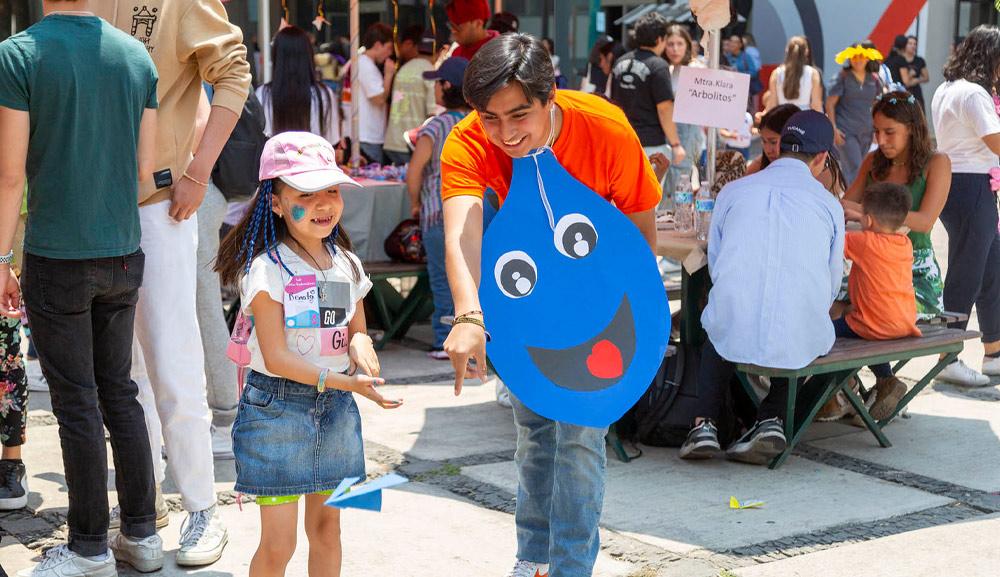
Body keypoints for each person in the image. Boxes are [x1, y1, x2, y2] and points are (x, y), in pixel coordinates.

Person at [440, 34, 661, 577]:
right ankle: (532, 560)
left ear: (550, 96)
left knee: (581, 437)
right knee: (534, 434)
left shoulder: (606, 128)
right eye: (491, 119)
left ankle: (569, 568)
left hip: (596, 308)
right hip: (524, 305)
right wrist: (470, 314)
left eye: (520, 115)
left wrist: (634, 318)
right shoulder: (467, 142)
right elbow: (463, 236)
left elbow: (640, 233)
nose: (506, 133)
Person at [0, 1, 163, 574]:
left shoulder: (18, 55)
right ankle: (142, 536)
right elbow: (146, 168)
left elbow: (11, 173)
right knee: (118, 390)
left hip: (57, 252)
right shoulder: (135, 55)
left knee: (75, 400)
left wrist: (0, 258)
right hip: (122, 248)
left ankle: (89, 543)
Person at [95, 0, 252, 564]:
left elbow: (232, 72)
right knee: (119, 371)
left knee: (173, 356)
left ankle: (201, 507)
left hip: (161, 204)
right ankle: (144, 504)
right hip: (93, 208)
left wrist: (197, 172)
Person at [215, 131, 401, 577]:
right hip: (275, 412)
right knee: (279, 545)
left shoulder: (346, 263)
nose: (325, 204)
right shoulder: (265, 269)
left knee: (328, 531)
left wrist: (361, 343)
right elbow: (277, 358)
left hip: (338, 412)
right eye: (307, 194)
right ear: (276, 202)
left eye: (332, 191)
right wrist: (345, 382)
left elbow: (357, 329)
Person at [678, 110, 845, 463]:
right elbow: (832, 282)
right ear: (821, 159)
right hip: (800, 333)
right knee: (802, 316)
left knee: (722, 316)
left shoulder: (734, 191)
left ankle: (703, 422)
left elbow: (718, 264)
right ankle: (772, 417)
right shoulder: (830, 205)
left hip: (731, 325)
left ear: (778, 149)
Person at [931, 26, 1000, 385]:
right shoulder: (974, 94)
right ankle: (948, 357)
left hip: (957, 184)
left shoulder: (947, 89)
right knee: (968, 273)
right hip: (973, 185)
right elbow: (996, 141)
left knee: (990, 271)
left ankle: (994, 353)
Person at [833, 182, 921, 420]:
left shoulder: (865, 242)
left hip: (873, 326)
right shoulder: (905, 243)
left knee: (824, 332)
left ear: (869, 221)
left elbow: (834, 241)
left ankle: (834, 393)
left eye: (862, 216)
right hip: (904, 324)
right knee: (862, 322)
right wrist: (862, 217)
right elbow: (874, 231)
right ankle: (886, 380)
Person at [405, 57, 472, 360]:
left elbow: (414, 172)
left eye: (436, 82)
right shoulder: (480, 122)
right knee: (476, 276)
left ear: (446, 87)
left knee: (444, 278)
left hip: (439, 211)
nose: (434, 88)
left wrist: (414, 204)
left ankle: (445, 339)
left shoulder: (435, 126)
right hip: (479, 211)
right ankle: (478, 336)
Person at [610, 12, 687, 194]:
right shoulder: (658, 65)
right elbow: (665, 108)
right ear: (660, 39)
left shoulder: (620, 62)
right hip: (651, 145)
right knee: (648, 201)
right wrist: (676, 144)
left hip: (623, 142)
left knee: (625, 199)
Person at [258, 25, 340, 144]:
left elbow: (261, 138)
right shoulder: (324, 95)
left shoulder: (263, 94)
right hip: (314, 161)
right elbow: (331, 140)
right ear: (309, 55)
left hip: (274, 160)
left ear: (277, 57)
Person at [662, 24, 705, 204]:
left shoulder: (694, 67)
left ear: (687, 45)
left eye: (679, 43)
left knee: (681, 176)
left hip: (688, 131)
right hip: (670, 130)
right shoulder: (668, 68)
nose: (675, 49)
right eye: (670, 44)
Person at [826, 42, 881, 184]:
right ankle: (853, 203)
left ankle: (845, 201)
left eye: (861, 56)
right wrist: (833, 128)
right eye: (854, 57)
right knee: (855, 169)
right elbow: (830, 103)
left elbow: (877, 106)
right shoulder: (842, 77)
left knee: (858, 168)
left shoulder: (874, 79)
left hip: (866, 132)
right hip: (846, 131)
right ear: (849, 59)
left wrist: (877, 130)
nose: (858, 60)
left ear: (868, 58)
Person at [385, 29, 437, 166]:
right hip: (411, 144)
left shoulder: (404, 69)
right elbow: (432, 115)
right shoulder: (431, 73)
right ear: (437, 52)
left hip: (392, 141)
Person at [353, 22, 395, 165]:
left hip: (367, 135)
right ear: (378, 45)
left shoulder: (361, 62)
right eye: (389, 48)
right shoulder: (365, 65)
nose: (390, 53)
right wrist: (389, 75)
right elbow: (378, 99)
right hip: (369, 136)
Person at [765, 35, 822, 112]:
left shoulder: (776, 74)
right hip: (804, 118)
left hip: (783, 119)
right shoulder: (813, 73)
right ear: (806, 51)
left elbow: (772, 105)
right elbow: (815, 105)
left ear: (787, 50)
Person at [899, 36, 929, 111]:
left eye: (915, 44)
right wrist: (909, 76)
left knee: (919, 112)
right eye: (910, 43)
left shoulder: (919, 60)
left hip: (916, 92)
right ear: (905, 45)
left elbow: (926, 78)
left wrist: (917, 80)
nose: (913, 46)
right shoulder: (900, 60)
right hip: (903, 91)